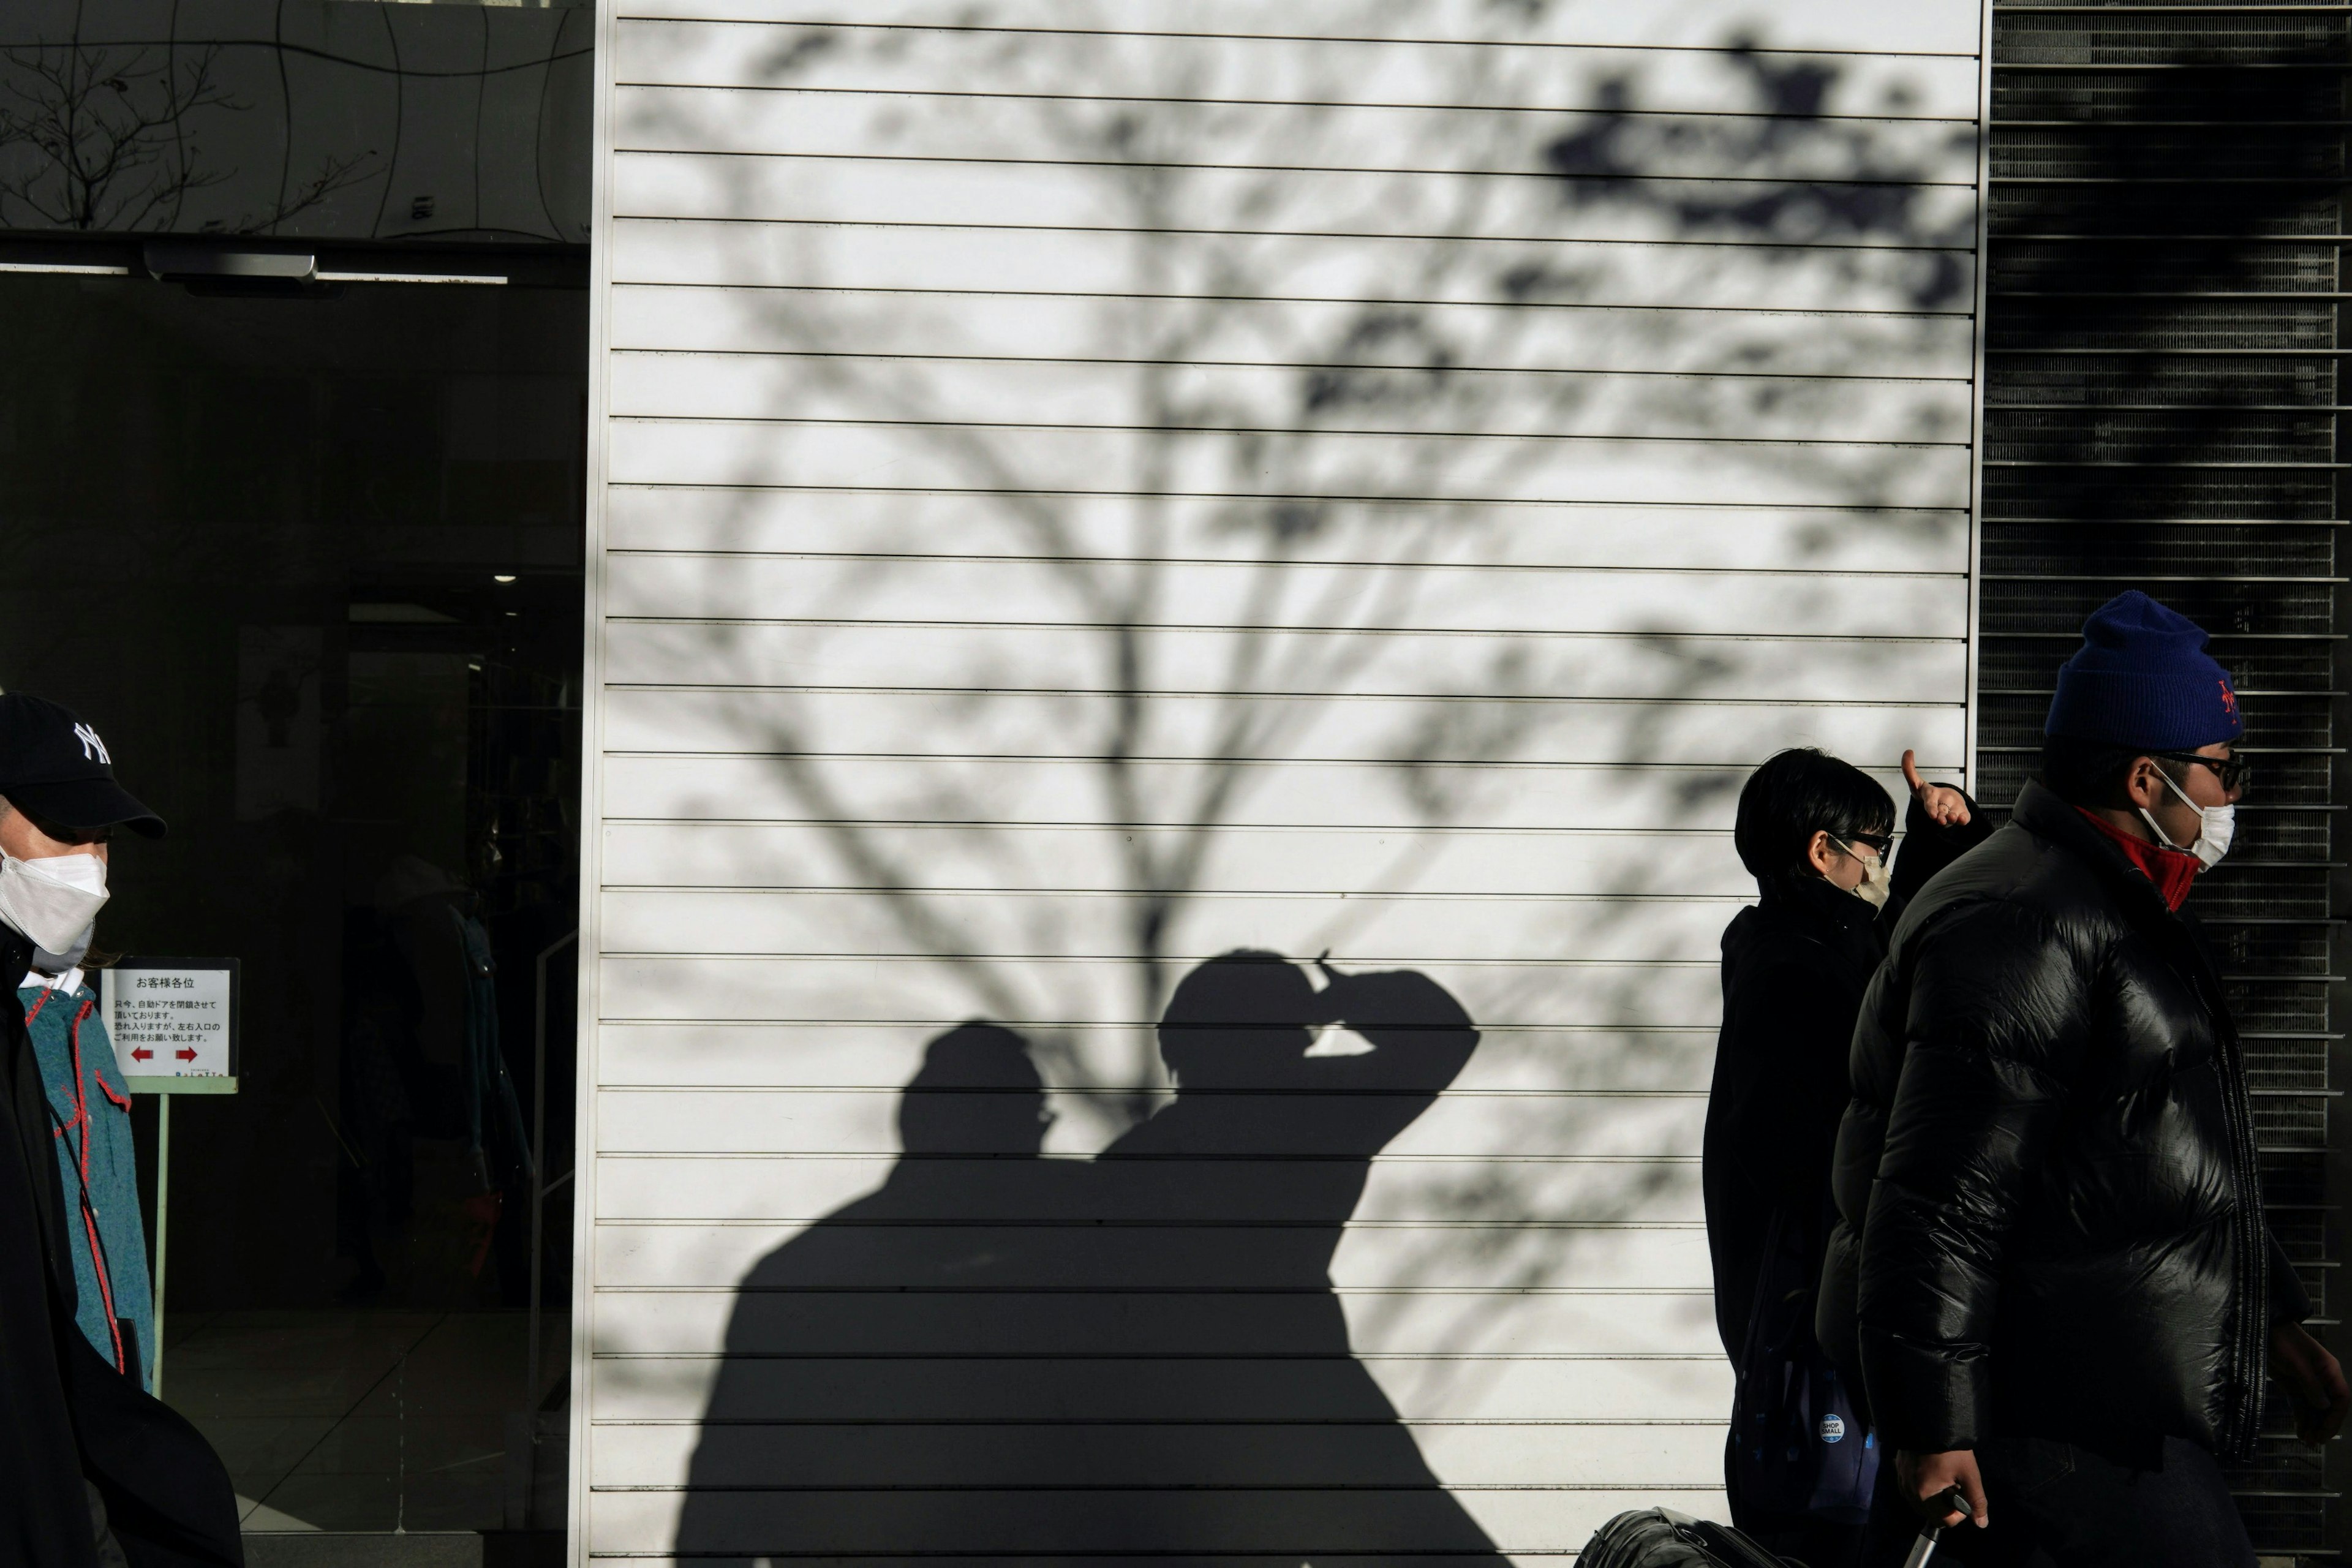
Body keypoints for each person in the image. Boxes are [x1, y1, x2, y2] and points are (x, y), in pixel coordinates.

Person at [1819, 592, 2351, 1566]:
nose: (2233, 799)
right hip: (2045, 1408)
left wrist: (2266, 1316)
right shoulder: (2029, 921)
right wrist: (1936, 1424)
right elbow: (1942, 1195)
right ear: (2150, 778)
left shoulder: (2108, 903)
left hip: (2090, 1384)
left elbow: (2156, 1145)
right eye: (2223, 772)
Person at [1704, 748, 1985, 1565]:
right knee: (1836, 1529)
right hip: (1826, 1309)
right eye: (1879, 846)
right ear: (1823, 853)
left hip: (1810, 1299)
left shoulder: (1783, 942)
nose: (1883, 866)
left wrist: (1945, 835)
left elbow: (1902, 938)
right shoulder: (1799, 970)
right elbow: (1915, 966)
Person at [0, 694, 241, 1564]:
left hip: (106, 1429)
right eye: (63, 827)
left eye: (102, 835)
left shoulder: (74, 1006)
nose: (89, 863)